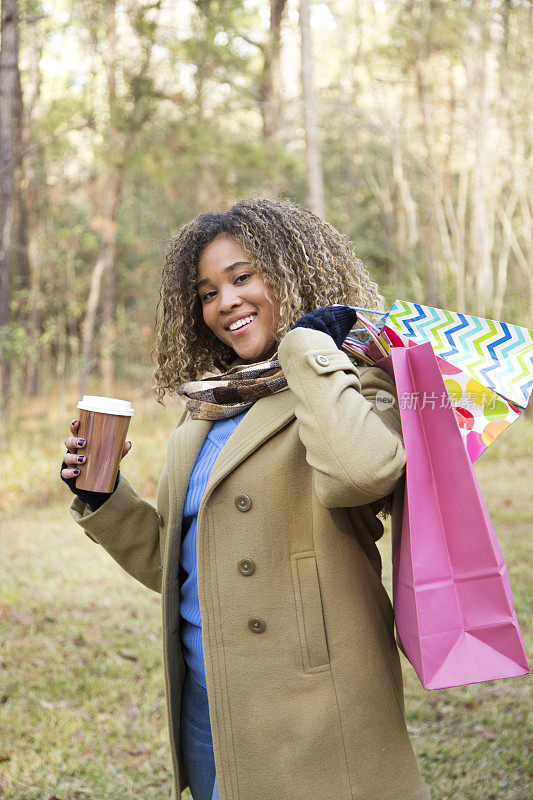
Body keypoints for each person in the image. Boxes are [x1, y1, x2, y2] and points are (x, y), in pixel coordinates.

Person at [61, 197, 429, 800]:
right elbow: (186, 566)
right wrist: (104, 496)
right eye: (207, 292)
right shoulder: (211, 402)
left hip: (315, 705)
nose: (225, 302)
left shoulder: (358, 374)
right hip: (212, 704)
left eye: (242, 277)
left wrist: (309, 344)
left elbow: (361, 476)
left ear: (293, 271)